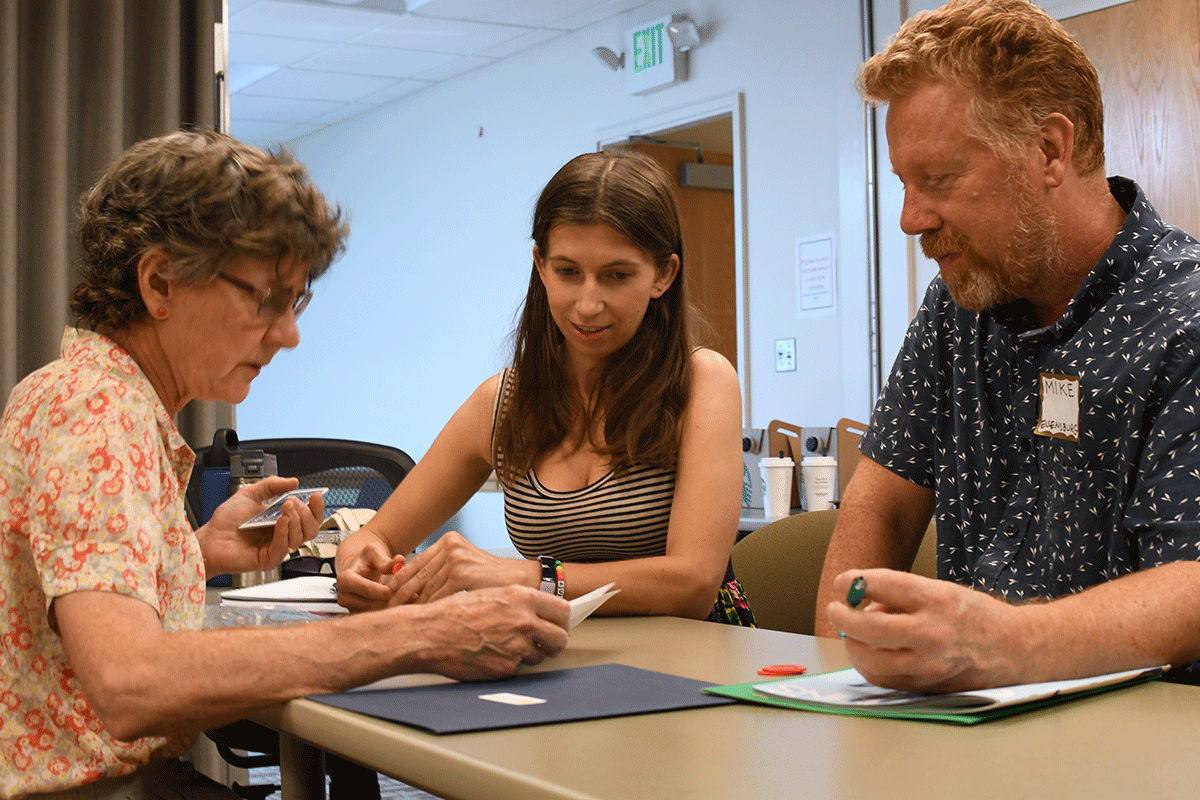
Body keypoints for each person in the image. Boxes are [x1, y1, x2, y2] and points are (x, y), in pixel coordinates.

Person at [0, 131, 569, 800]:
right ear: (159, 282)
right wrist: (420, 633)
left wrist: (199, 552)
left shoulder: (89, 395)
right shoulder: (94, 408)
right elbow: (131, 682)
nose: (289, 333)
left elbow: (70, 598)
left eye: (294, 303)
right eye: (266, 298)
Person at [815, 0, 1200, 691]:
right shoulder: (957, 308)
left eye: (939, 178)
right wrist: (839, 664)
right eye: (904, 182)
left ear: (1050, 149)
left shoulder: (1183, 316)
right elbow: (883, 501)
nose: (910, 219)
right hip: (970, 734)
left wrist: (1002, 644)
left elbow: (1193, 580)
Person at [336, 150, 753, 626]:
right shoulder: (501, 403)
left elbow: (693, 583)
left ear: (663, 275)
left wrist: (521, 576)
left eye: (617, 276)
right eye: (568, 272)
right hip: (557, 663)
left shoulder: (704, 382)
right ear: (540, 265)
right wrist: (360, 564)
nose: (588, 303)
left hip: (698, 665)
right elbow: (374, 537)